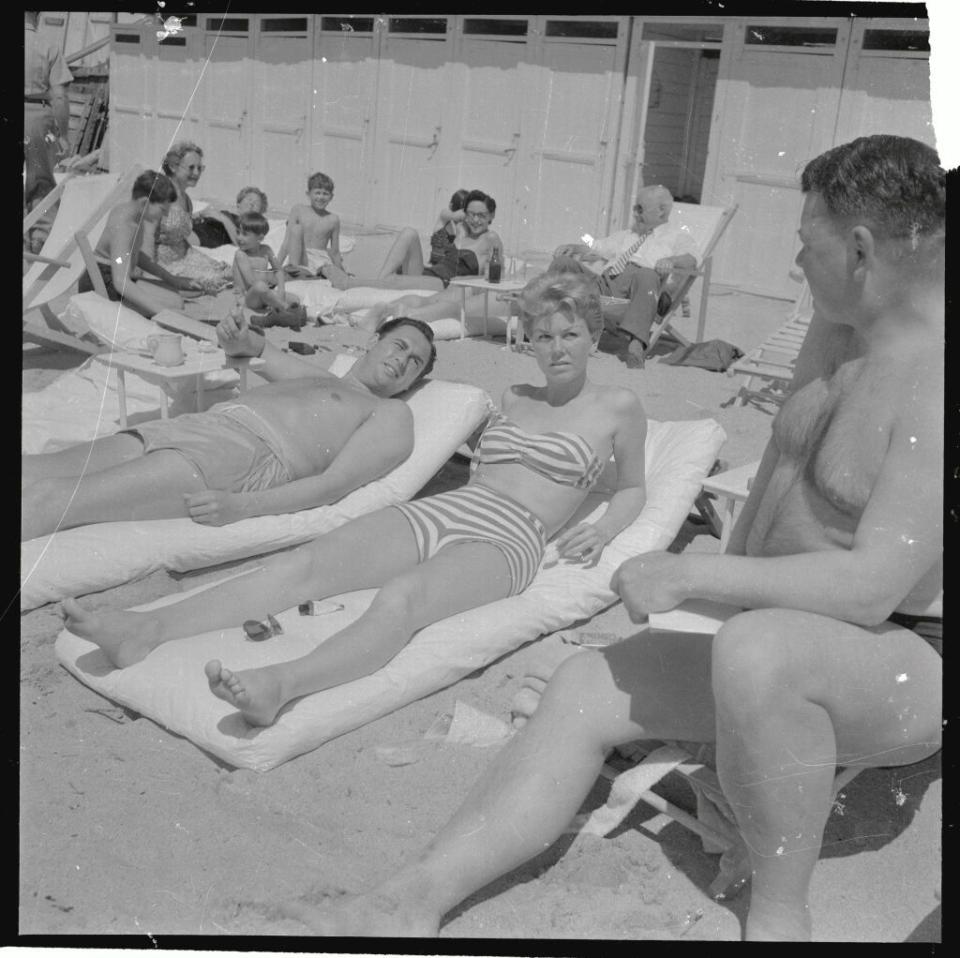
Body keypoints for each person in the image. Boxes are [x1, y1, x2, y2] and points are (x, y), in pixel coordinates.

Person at [265, 135, 943, 942]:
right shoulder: (837, 329)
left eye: (806, 242)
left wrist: (695, 583)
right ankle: (411, 897)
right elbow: (777, 482)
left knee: (762, 655)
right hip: (766, 634)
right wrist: (711, 599)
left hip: (895, 657)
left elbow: (873, 587)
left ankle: (777, 917)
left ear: (861, 249)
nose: (796, 261)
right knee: (588, 684)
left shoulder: (936, 383)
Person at [62, 271, 648, 724]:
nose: (557, 348)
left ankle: (281, 685)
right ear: (530, 342)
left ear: (594, 337)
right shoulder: (515, 394)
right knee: (304, 564)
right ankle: (146, 630)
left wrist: (606, 526)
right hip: (443, 509)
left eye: (571, 334)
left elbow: (633, 487)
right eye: (544, 336)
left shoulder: (618, 407)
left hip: (510, 536)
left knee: (402, 598)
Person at [22, 316, 436, 542]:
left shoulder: (391, 414)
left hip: (242, 457)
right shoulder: (322, 377)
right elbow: (253, 348)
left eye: (415, 362)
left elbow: (333, 485)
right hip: (199, 425)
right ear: (374, 342)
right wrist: (235, 335)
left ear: (412, 384)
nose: (403, 360)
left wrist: (243, 507)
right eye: (400, 346)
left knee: (53, 499)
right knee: (34, 469)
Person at [553, 184, 699, 368]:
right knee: (563, 264)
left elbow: (692, 259)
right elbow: (597, 246)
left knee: (647, 274)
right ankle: (545, 323)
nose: (635, 214)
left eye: (640, 209)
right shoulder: (628, 234)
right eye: (634, 208)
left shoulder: (677, 237)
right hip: (604, 284)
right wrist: (575, 247)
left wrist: (671, 260)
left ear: (661, 211)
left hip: (637, 292)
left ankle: (636, 345)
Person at [76, 169, 203, 317]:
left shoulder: (133, 214)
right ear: (145, 203)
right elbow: (120, 282)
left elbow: (130, 255)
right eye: (163, 209)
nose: (166, 214)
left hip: (110, 275)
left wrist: (172, 279)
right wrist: (164, 314)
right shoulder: (124, 226)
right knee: (174, 304)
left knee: (174, 296)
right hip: (101, 284)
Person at [327, 190, 502, 294]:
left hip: (447, 282)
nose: (476, 220)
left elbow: (492, 278)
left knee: (396, 281)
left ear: (491, 216)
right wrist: (464, 216)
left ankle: (348, 283)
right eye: (471, 214)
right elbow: (446, 215)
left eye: (482, 215)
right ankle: (380, 282)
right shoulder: (462, 229)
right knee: (409, 232)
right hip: (431, 273)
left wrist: (463, 283)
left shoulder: (490, 238)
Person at [143, 141, 233, 294]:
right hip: (163, 263)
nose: (197, 173)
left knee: (229, 273)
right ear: (173, 167)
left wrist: (201, 260)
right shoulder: (159, 196)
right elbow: (146, 236)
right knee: (211, 282)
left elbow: (181, 238)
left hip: (185, 256)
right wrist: (150, 274)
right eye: (191, 167)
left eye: (200, 168)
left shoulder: (186, 199)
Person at [24, 11, 73, 254]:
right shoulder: (48, 46)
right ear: (37, 15)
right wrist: (63, 134)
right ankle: (39, 239)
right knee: (40, 179)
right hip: (36, 115)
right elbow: (60, 96)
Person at [232, 210, 302, 317]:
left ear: (260, 238)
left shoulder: (266, 250)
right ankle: (284, 308)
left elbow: (278, 270)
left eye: (244, 234)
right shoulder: (241, 255)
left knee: (295, 299)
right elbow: (251, 282)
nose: (239, 238)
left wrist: (281, 291)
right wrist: (271, 295)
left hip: (263, 294)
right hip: (247, 299)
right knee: (260, 286)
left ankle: (279, 306)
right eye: (238, 232)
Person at [276, 172, 344, 278]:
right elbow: (286, 243)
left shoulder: (333, 219)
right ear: (308, 194)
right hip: (300, 257)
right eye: (317, 193)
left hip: (320, 260)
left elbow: (335, 252)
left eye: (325, 194)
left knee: (326, 269)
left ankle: (312, 274)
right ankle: (294, 271)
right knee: (296, 229)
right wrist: (276, 267)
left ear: (331, 197)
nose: (321, 197)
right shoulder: (298, 209)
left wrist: (342, 273)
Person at [192, 186, 269, 249]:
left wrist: (223, 219)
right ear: (239, 204)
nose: (252, 203)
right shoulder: (226, 213)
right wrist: (199, 214)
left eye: (257, 203)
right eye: (249, 199)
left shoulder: (252, 225)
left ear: (259, 214)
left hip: (204, 235)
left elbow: (241, 243)